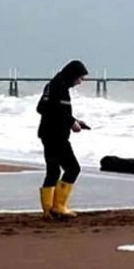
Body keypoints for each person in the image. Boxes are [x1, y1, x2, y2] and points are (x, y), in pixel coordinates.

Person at [36, 60, 90, 219]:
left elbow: (45, 108)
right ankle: (58, 207)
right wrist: (70, 122)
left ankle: (48, 210)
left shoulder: (53, 85)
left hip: (47, 134)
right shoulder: (59, 87)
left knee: (53, 172)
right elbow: (50, 109)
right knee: (73, 168)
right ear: (72, 75)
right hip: (56, 136)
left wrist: (74, 120)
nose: (81, 82)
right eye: (80, 78)